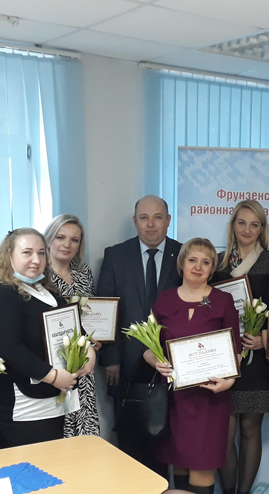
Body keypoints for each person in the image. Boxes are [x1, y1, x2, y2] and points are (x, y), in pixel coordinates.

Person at [0, 228, 96, 447]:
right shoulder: (1, 292)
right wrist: (53, 376)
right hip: (24, 404)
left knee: (52, 460)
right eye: (27, 252)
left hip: (53, 398)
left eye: (41, 253)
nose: (36, 259)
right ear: (9, 256)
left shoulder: (48, 291)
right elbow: (10, 348)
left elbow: (75, 330)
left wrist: (88, 353)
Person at [146, 238, 241, 494]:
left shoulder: (223, 300)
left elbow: (236, 349)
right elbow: (147, 346)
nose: (198, 267)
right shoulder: (164, 299)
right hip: (174, 398)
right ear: (182, 264)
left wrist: (229, 382)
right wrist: (156, 362)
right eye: (192, 260)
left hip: (211, 397)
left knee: (202, 466)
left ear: (212, 268)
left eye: (205, 262)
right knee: (178, 462)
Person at [98, 195, 182, 475]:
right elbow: (106, 309)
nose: (151, 224)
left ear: (168, 221)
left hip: (171, 365)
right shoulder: (116, 255)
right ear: (135, 221)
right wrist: (111, 358)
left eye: (158, 217)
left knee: (164, 443)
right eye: (144, 218)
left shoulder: (184, 255)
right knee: (129, 444)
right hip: (126, 364)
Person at [213, 200, 269, 494]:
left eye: (255, 224)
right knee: (224, 434)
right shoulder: (217, 263)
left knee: (250, 429)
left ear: (262, 229)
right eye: (242, 222)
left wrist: (264, 338)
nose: (247, 229)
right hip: (224, 358)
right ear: (232, 226)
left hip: (258, 362)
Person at [43, 214, 101, 438]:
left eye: (74, 240)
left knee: (84, 429)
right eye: (60, 237)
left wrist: (95, 338)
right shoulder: (38, 275)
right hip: (53, 365)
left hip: (83, 361)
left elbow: (90, 313)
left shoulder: (83, 273)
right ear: (49, 239)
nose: (67, 244)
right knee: (57, 432)